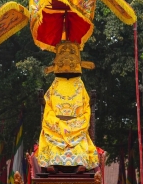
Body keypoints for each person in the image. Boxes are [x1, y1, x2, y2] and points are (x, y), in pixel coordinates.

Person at [37, 41, 99, 174]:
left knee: (79, 146)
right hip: (57, 126)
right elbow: (48, 103)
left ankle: (80, 165)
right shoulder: (55, 84)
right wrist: (44, 105)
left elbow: (86, 106)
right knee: (54, 145)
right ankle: (53, 165)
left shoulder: (79, 85)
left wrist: (79, 121)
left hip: (76, 125)